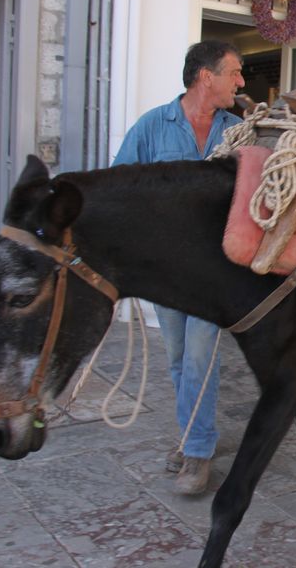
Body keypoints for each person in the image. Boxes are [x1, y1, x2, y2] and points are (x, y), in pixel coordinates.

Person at [113, 40, 245, 492]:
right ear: (206, 77)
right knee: (176, 359)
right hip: (165, 272)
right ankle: (192, 432)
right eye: (234, 72)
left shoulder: (239, 131)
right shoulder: (153, 127)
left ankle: (197, 453)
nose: (241, 82)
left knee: (198, 359)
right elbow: (120, 187)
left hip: (213, 272)